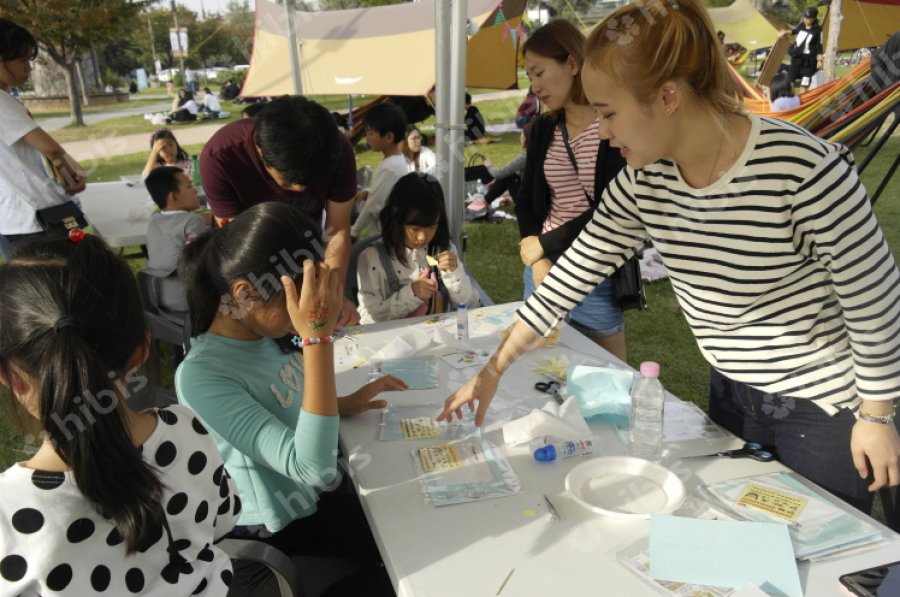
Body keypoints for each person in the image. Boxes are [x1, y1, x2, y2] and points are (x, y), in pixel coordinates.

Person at [441, 0, 900, 516]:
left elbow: (875, 299)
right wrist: (493, 370)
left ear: (667, 96)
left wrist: (876, 415)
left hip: (825, 408)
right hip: (731, 392)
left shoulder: (803, 169)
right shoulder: (644, 180)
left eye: (608, 114)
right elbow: (570, 276)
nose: (604, 132)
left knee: (818, 546)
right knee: (747, 529)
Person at [176, 202, 405, 595]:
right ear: (245, 295)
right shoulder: (202, 376)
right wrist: (317, 337)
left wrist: (344, 403)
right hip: (272, 536)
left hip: (315, 502)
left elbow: (293, 398)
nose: (307, 307)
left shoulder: (265, 332)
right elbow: (311, 468)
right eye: (301, 293)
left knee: (407, 534)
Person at [0, 234, 241, 594]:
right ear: (142, 349)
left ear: (9, 376)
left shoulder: (8, 518)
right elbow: (225, 520)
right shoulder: (186, 429)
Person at [516, 19, 628, 361]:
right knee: (541, 368)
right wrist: (538, 257)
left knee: (608, 373)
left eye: (539, 72)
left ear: (573, 64)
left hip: (595, 268)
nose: (535, 86)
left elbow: (613, 210)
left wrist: (543, 244)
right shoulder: (542, 129)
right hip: (543, 268)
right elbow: (525, 202)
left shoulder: (613, 125)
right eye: (530, 77)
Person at [198, 95, 360, 325]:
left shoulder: (334, 150)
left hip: (305, 252)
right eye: (289, 183)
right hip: (249, 263)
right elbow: (242, 249)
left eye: (311, 182)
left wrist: (332, 293)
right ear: (262, 154)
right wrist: (280, 311)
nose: (300, 190)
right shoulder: (221, 157)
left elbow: (337, 231)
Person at [0, 17, 86, 252]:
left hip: (13, 219)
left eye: (29, 59)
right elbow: (50, 148)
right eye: (21, 60)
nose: (28, 68)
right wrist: (72, 174)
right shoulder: (2, 102)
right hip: (35, 218)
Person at [357, 172, 481, 324]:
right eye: (415, 229)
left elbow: (470, 305)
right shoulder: (372, 258)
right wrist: (411, 294)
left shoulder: (443, 249)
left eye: (431, 227)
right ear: (397, 220)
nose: (422, 237)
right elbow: (368, 319)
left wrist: (454, 273)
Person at [143, 165, 209, 314]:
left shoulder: (154, 220)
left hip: (158, 297)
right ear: (174, 197)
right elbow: (200, 263)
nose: (195, 191)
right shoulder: (193, 222)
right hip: (187, 300)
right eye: (189, 186)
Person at [351, 102, 410, 238]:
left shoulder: (389, 167)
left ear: (389, 137)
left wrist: (353, 231)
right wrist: (368, 193)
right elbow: (388, 192)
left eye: (370, 133)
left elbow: (373, 207)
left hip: (384, 236)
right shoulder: (396, 160)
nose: (367, 138)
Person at [481, 121, 533, 205]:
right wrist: (496, 183)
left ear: (528, 137)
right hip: (539, 199)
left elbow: (499, 174)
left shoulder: (525, 157)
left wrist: (489, 165)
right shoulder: (540, 153)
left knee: (508, 176)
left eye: (522, 134)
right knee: (509, 176)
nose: (520, 137)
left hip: (528, 202)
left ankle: (484, 201)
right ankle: (486, 200)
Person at [783, 7, 823, 90]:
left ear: (814, 18)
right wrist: (785, 32)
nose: (806, 19)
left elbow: (819, 45)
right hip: (796, 59)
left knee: (804, 85)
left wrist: (820, 60)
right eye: (805, 17)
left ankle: (803, 98)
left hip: (808, 63)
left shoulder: (818, 30)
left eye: (808, 18)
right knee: (790, 82)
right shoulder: (801, 25)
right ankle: (790, 97)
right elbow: (794, 31)